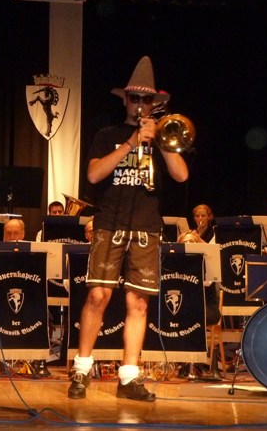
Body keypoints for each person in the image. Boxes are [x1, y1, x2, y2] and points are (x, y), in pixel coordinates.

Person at [69, 55, 188, 401]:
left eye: (146, 99)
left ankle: (129, 377)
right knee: (98, 296)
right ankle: (81, 370)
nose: (140, 104)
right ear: (124, 100)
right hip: (109, 224)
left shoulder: (162, 139)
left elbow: (181, 175)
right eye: (134, 98)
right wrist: (132, 143)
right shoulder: (108, 135)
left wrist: (159, 139)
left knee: (138, 303)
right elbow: (93, 175)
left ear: (154, 104)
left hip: (147, 228)